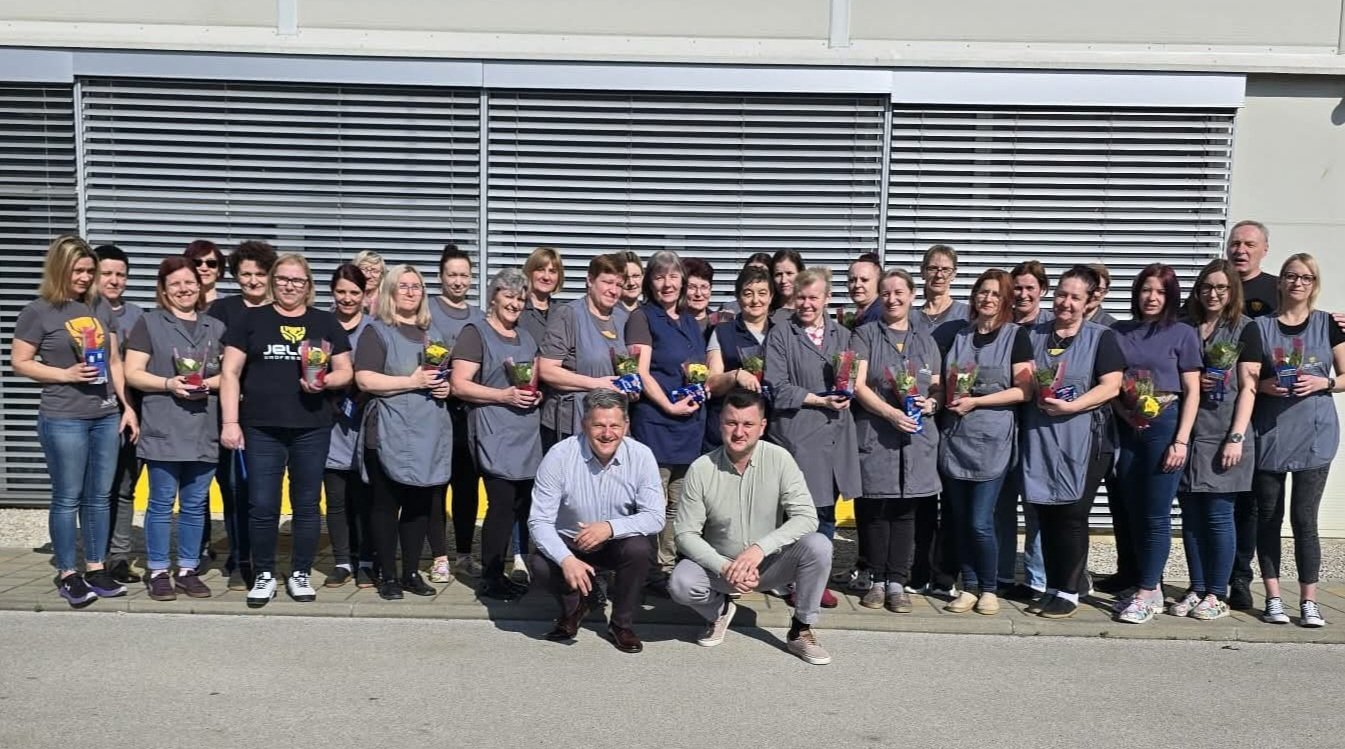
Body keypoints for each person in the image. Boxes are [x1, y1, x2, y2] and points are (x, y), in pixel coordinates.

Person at [220, 252, 353, 607]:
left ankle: (300, 572)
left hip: (311, 427)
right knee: (263, 504)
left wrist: (325, 382)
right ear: (272, 282)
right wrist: (230, 422)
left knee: (306, 504)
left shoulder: (324, 322)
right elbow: (230, 372)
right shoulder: (251, 319)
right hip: (261, 427)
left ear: (308, 285)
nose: (289, 286)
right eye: (282, 279)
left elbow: (345, 371)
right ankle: (264, 573)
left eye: (297, 280)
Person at [13, 235, 140, 607]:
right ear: (59, 269)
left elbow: (114, 361)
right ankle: (69, 573)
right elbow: (19, 362)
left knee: (99, 496)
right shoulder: (38, 311)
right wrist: (64, 374)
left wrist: (127, 406)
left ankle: (96, 568)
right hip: (63, 417)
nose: (85, 278)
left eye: (89, 271)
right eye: (77, 271)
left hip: (105, 416)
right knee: (68, 497)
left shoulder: (100, 306)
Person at [670, 389, 835, 665]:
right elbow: (685, 534)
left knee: (819, 545)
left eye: (748, 424)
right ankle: (719, 611)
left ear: (762, 426)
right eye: (731, 423)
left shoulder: (780, 459)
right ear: (720, 423)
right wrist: (725, 566)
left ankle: (801, 629)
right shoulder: (701, 468)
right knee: (680, 583)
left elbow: (807, 517)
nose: (739, 432)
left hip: (770, 564)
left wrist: (759, 549)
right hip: (720, 566)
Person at [1020, 265, 1125, 619]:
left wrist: (1073, 406)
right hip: (1041, 436)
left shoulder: (1102, 337)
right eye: (1062, 295)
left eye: (1075, 297)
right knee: (1046, 513)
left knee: (1072, 514)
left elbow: (1111, 386)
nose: (1066, 303)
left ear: (1089, 301)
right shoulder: (1033, 335)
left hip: (1086, 438)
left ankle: (1070, 590)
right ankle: (1052, 586)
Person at [527, 390, 665, 653]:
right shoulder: (559, 455)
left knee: (640, 548)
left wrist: (610, 528)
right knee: (541, 564)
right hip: (572, 540)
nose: (607, 433)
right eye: (599, 425)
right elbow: (539, 521)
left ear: (626, 425)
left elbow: (655, 516)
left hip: (616, 541)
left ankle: (621, 624)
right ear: (584, 424)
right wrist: (566, 559)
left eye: (615, 426)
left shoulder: (642, 455)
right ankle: (576, 606)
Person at [122, 256, 225, 601]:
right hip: (164, 424)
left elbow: (230, 375)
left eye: (189, 282)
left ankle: (187, 569)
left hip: (204, 426)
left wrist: (207, 383)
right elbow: (133, 372)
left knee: (195, 504)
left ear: (200, 286)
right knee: (161, 502)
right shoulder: (149, 323)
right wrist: (169, 383)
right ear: (164, 291)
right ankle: (157, 569)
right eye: (175, 284)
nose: (184, 289)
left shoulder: (216, 327)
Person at [1251, 253, 1343, 628]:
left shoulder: (1328, 324)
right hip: (1270, 433)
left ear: (1314, 284)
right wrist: (1265, 386)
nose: (1297, 283)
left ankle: (1308, 601)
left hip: (1314, 435)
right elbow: (1246, 379)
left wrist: (1325, 382)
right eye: (1291, 276)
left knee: (1305, 519)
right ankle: (1273, 597)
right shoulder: (1260, 327)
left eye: (1306, 277)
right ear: (1280, 281)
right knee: (1269, 518)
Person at [764, 266, 860, 609]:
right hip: (798, 434)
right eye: (801, 297)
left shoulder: (843, 335)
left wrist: (847, 391)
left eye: (813, 298)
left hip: (836, 434)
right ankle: (794, 578)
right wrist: (820, 400)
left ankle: (818, 578)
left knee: (828, 513)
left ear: (827, 298)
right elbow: (776, 387)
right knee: (801, 512)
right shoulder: (781, 334)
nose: (806, 304)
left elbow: (851, 377)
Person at [1110, 264, 1202, 624]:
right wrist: (1124, 412)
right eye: (1146, 290)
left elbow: (1192, 390)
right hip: (1128, 424)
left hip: (1165, 424)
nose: (1152, 297)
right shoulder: (1119, 331)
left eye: (1160, 292)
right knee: (1132, 510)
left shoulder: (1183, 333)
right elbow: (1111, 382)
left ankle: (1147, 592)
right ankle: (1148, 585)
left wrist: (1181, 440)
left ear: (1171, 296)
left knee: (1155, 513)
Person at [354, 265, 452, 600]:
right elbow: (365, 379)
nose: (411, 292)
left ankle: (410, 572)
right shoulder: (377, 331)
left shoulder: (432, 333)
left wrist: (444, 387)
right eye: (403, 286)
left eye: (416, 286)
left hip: (427, 431)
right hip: (389, 430)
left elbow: (441, 374)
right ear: (390, 291)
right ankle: (388, 575)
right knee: (386, 505)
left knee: (420, 505)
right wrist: (412, 381)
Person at [939, 269, 1033, 615]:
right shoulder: (960, 335)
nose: (988, 298)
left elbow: (1024, 390)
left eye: (995, 293)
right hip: (956, 437)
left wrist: (977, 401)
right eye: (982, 292)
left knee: (981, 521)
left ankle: (989, 588)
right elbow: (944, 381)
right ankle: (968, 586)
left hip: (992, 440)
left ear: (1005, 299)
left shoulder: (1015, 336)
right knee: (961, 520)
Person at [851, 268, 942, 613]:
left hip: (916, 440)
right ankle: (877, 580)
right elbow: (858, 385)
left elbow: (937, 385)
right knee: (876, 509)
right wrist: (890, 413)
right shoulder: (864, 335)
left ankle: (897, 583)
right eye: (886, 293)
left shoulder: (925, 339)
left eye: (899, 292)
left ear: (912, 295)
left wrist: (932, 403)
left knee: (906, 511)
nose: (892, 299)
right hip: (877, 433)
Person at [1173, 259, 1261, 621]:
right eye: (1207, 287)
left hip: (1224, 432)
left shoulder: (1245, 328)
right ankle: (1196, 588)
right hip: (1189, 433)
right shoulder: (1185, 326)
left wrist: (1236, 437)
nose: (1213, 294)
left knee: (1219, 516)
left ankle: (1216, 593)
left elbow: (1249, 388)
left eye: (1221, 287)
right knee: (1191, 517)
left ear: (1232, 291)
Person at [450, 268, 544, 601]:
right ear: (494, 297)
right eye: (509, 296)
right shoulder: (475, 333)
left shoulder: (526, 337)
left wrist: (535, 394)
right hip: (494, 431)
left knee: (520, 505)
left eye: (521, 298)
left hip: (525, 432)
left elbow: (532, 379)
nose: (515, 304)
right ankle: (490, 578)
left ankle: (505, 571)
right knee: (501, 505)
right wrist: (503, 395)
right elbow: (459, 384)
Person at [625, 251, 707, 590]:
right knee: (653, 503)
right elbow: (641, 373)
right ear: (650, 282)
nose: (667, 283)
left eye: (673, 276)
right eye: (659, 277)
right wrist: (669, 406)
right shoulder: (642, 317)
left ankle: (665, 565)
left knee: (678, 504)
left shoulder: (689, 320)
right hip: (656, 423)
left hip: (689, 427)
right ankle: (644, 571)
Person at [207, 239, 276, 591]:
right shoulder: (222, 310)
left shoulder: (282, 310)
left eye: (260, 274)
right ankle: (239, 557)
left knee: (261, 492)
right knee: (234, 487)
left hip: (270, 415)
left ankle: (264, 557)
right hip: (231, 412)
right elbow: (210, 360)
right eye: (245, 274)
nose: (252, 280)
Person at [427, 243, 486, 583]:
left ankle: (464, 553)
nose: (458, 281)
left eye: (464, 275)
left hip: (468, 412)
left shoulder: (479, 317)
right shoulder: (427, 311)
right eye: (452, 274)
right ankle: (439, 557)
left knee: (466, 485)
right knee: (436, 485)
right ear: (441, 276)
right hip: (434, 410)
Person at [996, 259, 1052, 600]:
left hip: (1039, 430)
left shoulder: (1051, 329)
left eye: (1030, 287)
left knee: (1036, 507)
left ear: (1042, 290)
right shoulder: (1000, 326)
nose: (1023, 294)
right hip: (1002, 428)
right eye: (1017, 288)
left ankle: (1036, 579)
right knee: (1001, 505)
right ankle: (1001, 575)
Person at [538, 253, 631, 447]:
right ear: (590, 280)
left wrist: (631, 386)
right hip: (571, 422)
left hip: (611, 423)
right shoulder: (568, 315)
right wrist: (596, 383)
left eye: (619, 285)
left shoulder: (624, 318)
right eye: (607, 282)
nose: (614, 290)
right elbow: (547, 369)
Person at [94, 244, 146, 585]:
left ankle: (119, 557)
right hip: (93, 409)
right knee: (98, 488)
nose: (114, 280)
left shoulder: (138, 315)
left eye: (121, 274)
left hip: (132, 409)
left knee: (125, 486)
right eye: (107, 274)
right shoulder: (79, 312)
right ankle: (95, 556)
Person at [323, 263, 374, 589]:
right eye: (341, 292)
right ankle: (342, 561)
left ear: (364, 295)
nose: (347, 298)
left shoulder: (374, 328)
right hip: (330, 423)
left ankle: (366, 560)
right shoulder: (321, 325)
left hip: (365, 420)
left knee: (365, 497)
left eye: (354, 292)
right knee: (337, 498)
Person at [704, 265, 773, 452]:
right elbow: (711, 383)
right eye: (748, 293)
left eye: (762, 293)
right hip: (729, 433)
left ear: (771, 297)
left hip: (771, 432)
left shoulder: (781, 333)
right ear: (738, 297)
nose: (755, 300)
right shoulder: (722, 332)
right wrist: (736, 375)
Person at [915, 245, 971, 340]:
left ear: (953, 274)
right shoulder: (910, 319)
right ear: (922, 272)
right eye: (933, 268)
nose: (939, 275)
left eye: (945, 270)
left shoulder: (967, 315)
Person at [1225, 220, 1277, 319]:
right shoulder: (1212, 287)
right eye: (1235, 244)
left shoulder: (1279, 289)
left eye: (1250, 245)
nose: (1240, 250)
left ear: (1265, 249)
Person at [519, 246, 564, 347]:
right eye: (540, 270)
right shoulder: (517, 309)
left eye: (552, 271)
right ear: (529, 272)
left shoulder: (564, 313)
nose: (546, 277)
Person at [840, 253, 882, 330]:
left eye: (864, 280)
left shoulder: (880, 317)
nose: (857, 285)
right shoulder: (864, 315)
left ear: (879, 282)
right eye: (852, 280)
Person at [184, 239, 226, 307]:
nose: (204, 268)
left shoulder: (232, 304)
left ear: (219, 270)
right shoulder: (175, 304)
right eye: (197, 263)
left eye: (211, 263)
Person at [681, 258, 716, 333]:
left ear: (710, 289)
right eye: (692, 287)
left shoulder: (719, 323)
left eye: (704, 287)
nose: (698, 294)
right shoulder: (673, 323)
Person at [769, 249, 804, 323]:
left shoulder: (809, 310)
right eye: (778, 274)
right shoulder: (766, 312)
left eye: (789, 273)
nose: (783, 280)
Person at [352, 250, 385, 314]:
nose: (368, 276)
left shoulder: (389, 300)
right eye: (363, 269)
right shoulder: (346, 298)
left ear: (382, 275)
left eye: (375, 271)